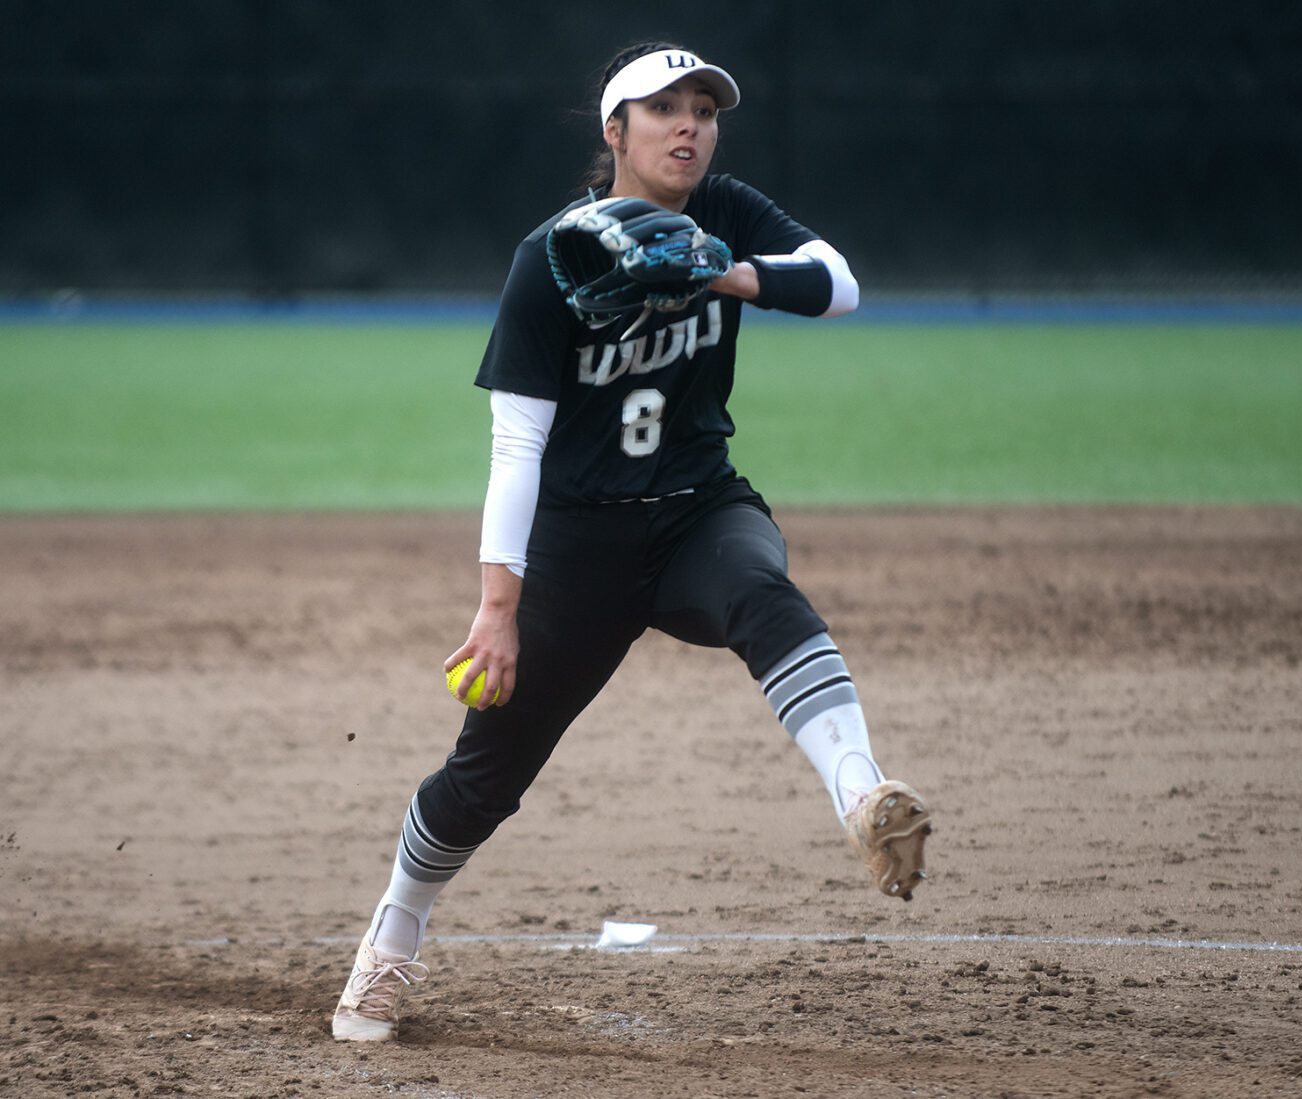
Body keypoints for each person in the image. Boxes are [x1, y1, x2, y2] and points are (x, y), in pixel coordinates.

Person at [331, 41, 933, 1042]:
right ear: (615, 132)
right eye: (664, 109)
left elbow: (840, 284)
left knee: (764, 591)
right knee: (488, 774)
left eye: (703, 107)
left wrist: (729, 272)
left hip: (700, 506)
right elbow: (517, 445)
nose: (690, 124)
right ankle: (393, 936)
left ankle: (865, 798)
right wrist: (498, 607)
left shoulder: (728, 212)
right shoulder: (553, 256)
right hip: (580, 546)